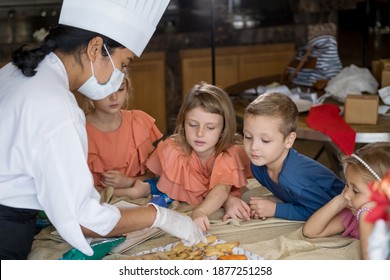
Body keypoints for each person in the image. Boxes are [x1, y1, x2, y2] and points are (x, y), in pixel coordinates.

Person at [0, 0, 206, 260]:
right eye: (124, 64)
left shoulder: (14, 72)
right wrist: (159, 216)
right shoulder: (56, 107)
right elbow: (85, 219)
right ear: (96, 48)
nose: (121, 75)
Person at [127, 82, 253, 231]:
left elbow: (221, 190)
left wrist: (200, 212)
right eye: (192, 125)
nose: (200, 133)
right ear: (183, 122)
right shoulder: (175, 149)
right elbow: (153, 173)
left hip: (219, 191)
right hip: (151, 181)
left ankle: (143, 188)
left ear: (223, 129)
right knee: (152, 182)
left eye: (210, 127)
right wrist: (130, 181)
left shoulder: (229, 154)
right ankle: (138, 186)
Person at [243, 92, 345, 221]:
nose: (253, 147)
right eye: (248, 137)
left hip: (343, 210)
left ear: (289, 140)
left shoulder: (293, 178)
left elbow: (324, 211)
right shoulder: (258, 166)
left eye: (265, 140)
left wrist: (275, 209)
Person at [303, 142, 390, 259]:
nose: (347, 194)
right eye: (347, 185)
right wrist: (339, 201)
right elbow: (310, 231)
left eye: (356, 191)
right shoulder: (352, 215)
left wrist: (366, 213)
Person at [84, 75, 162, 199]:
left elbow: (154, 176)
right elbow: (74, 188)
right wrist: (129, 193)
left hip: (138, 205)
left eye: (120, 89)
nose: (114, 97)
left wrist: (127, 181)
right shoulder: (80, 129)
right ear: (89, 91)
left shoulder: (138, 123)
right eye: (107, 90)